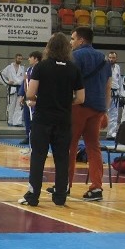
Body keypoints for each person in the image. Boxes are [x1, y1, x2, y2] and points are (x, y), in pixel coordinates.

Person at [19, 33, 84, 206]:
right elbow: (81, 98)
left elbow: (31, 94)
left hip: (43, 118)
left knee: (38, 156)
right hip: (64, 119)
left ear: (49, 48)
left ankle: (33, 196)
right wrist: (64, 101)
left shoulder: (41, 67)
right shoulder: (73, 68)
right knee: (62, 157)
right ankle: (60, 196)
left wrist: (43, 99)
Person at [63, 26, 112, 201]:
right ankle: (96, 188)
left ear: (81, 40)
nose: (71, 42)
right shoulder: (104, 59)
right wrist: (105, 109)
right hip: (98, 108)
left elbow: (69, 82)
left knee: (70, 146)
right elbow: (108, 86)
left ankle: (64, 186)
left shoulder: (75, 56)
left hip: (79, 106)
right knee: (93, 146)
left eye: (72, 38)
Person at [17, 50, 41, 148]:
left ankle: (36, 137)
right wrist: (22, 95)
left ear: (35, 58)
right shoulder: (28, 70)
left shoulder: (41, 69)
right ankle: (28, 136)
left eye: (30, 57)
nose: (28, 59)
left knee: (35, 118)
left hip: (37, 97)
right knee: (27, 117)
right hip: (28, 96)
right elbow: (25, 83)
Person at [0, 52, 25, 126]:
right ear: (15, 58)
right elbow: (0, 75)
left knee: (19, 105)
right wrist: (7, 82)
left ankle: (17, 122)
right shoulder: (9, 67)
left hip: (20, 88)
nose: (20, 60)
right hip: (12, 88)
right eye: (18, 58)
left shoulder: (22, 68)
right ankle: (10, 121)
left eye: (21, 59)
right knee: (11, 105)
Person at [106, 51, 123, 139]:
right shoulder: (104, 67)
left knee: (114, 113)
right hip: (107, 92)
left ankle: (111, 133)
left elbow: (119, 80)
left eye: (113, 58)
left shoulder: (117, 67)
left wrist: (121, 94)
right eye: (110, 57)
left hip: (115, 92)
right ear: (108, 58)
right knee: (104, 112)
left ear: (116, 59)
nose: (111, 59)